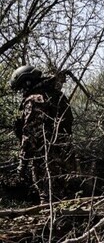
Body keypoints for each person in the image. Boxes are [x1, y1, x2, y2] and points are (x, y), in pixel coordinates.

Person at [9, 65, 74, 203]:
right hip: (65, 154)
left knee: (49, 198)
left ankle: (51, 222)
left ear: (27, 82)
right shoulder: (55, 95)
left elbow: (31, 135)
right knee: (63, 197)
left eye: (22, 87)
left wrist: (22, 164)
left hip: (46, 159)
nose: (22, 91)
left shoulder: (34, 100)